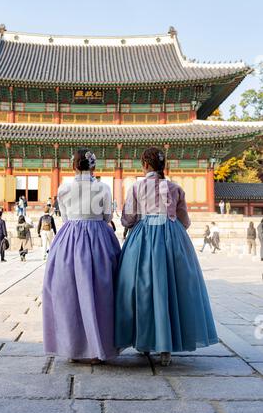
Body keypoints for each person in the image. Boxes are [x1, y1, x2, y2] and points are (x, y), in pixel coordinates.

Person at [115, 147, 218, 367]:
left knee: (139, 287)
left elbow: (129, 218)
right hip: (172, 235)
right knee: (171, 288)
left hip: (144, 236)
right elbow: (184, 220)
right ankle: (166, 347)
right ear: (163, 165)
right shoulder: (175, 188)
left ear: (145, 165)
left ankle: (143, 341)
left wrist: (129, 223)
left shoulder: (136, 187)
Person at [43, 149, 121, 363]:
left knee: (68, 293)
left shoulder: (64, 188)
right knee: (100, 292)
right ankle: (98, 349)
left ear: (73, 166)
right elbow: (107, 216)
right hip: (99, 238)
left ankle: (72, 348)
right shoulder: (103, 188)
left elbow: (66, 216)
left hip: (69, 239)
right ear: (93, 166)